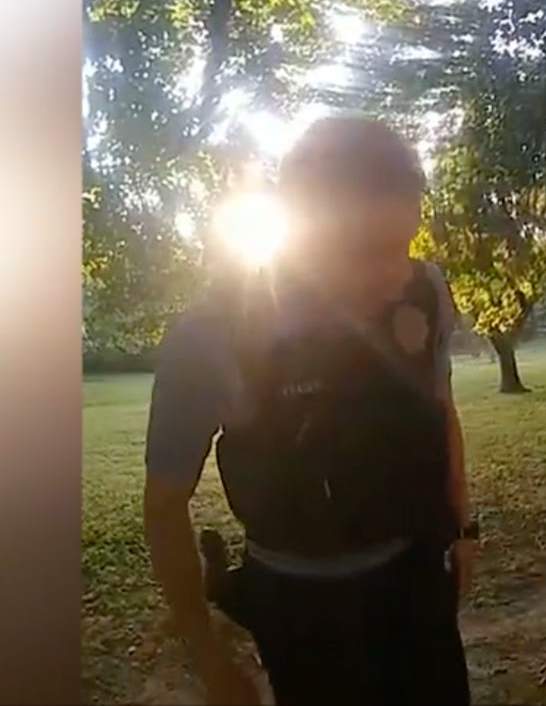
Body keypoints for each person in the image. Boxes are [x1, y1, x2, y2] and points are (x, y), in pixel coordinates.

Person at [143, 116, 477, 705]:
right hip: (298, 607)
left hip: (416, 578)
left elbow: (438, 404)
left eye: (403, 246)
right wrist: (211, 660)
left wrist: (463, 527)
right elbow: (165, 506)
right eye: (368, 253)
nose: (395, 273)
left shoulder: (422, 289)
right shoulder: (216, 334)